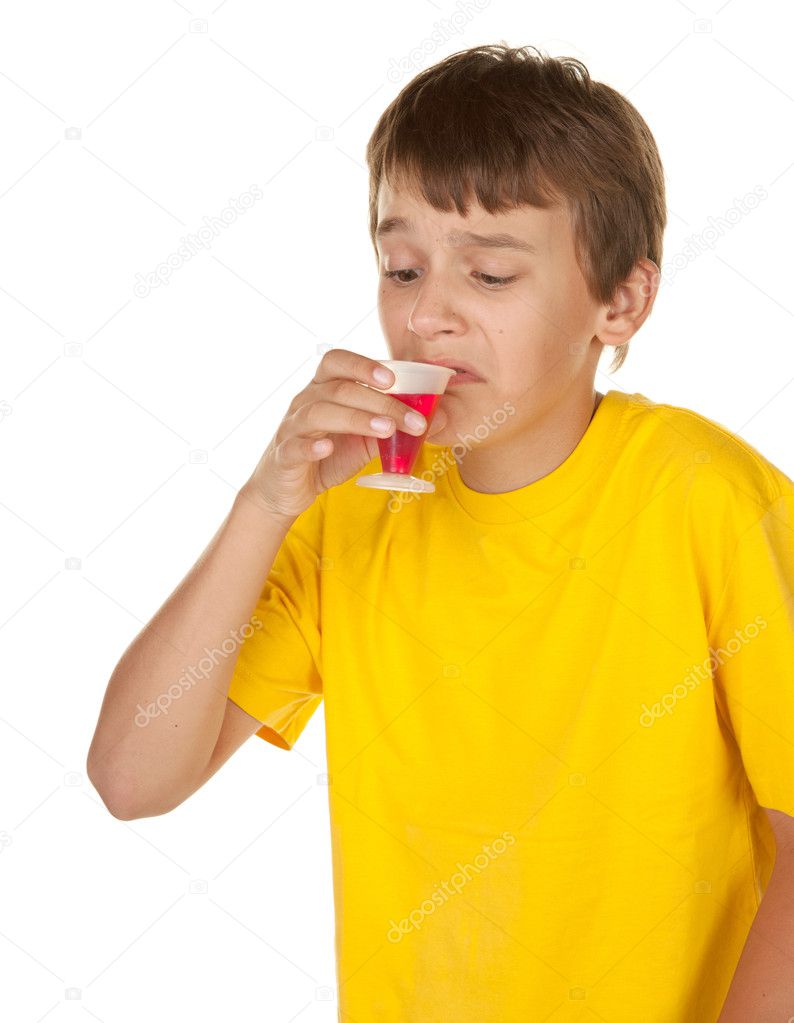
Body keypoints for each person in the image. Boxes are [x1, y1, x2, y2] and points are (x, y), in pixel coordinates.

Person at [87, 43, 794, 1021]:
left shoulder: (703, 495)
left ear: (618, 302)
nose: (427, 316)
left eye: (490, 274)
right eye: (401, 267)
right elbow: (132, 778)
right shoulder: (354, 513)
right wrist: (264, 504)